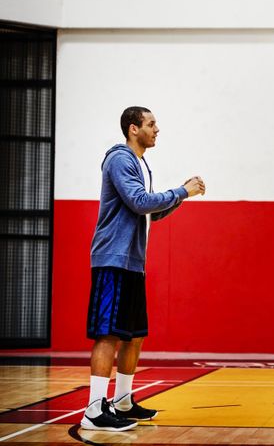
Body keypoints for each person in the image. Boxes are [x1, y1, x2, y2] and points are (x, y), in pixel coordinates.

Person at [81, 106, 206, 432]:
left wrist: (179, 197)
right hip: (113, 259)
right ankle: (94, 410)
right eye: (151, 124)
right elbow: (139, 202)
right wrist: (180, 192)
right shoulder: (121, 159)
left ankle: (122, 400)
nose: (157, 129)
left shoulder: (139, 163)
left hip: (133, 262)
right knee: (108, 334)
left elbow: (148, 211)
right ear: (133, 129)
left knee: (133, 336)